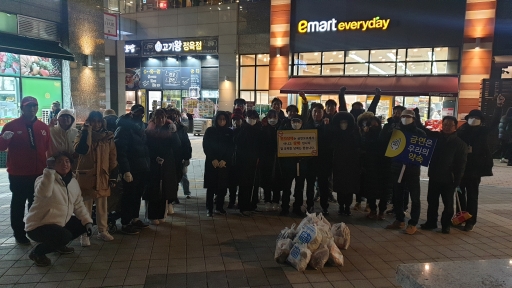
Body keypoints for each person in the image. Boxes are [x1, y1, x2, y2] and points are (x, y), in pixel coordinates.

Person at [25, 152, 93, 267]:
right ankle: (37, 253)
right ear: (53, 164)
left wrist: (87, 221)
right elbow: (44, 193)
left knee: (82, 224)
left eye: (67, 161)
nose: (64, 164)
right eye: (59, 161)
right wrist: (49, 171)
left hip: (58, 224)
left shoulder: (73, 182)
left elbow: (78, 204)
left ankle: (58, 245)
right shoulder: (42, 179)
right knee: (64, 235)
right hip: (38, 226)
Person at [0, 96, 50, 245]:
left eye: (35, 105)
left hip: (38, 174)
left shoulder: (43, 127)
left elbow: (47, 148)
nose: (33, 108)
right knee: (18, 204)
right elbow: (1, 147)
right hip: (18, 174)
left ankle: (34, 230)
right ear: (22, 108)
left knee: (35, 204)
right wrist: (4, 139)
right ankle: (19, 233)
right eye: (29, 106)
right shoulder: (11, 126)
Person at [457, 95, 504, 231]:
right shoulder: (462, 131)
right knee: (459, 195)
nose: (474, 120)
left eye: (477, 118)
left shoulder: (483, 132)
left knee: (472, 196)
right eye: (472, 117)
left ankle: (471, 221)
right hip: (461, 167)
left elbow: (495, 123)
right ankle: (461, 217)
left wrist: (499, 107)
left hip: (475, 169)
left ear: (481, 121)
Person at [417, 115, 467, 234]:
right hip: (434, 175)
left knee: (448, 204)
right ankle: (431, 222)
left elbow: (461, 164)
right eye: (445, 125)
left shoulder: (460, 144)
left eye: (450, 125)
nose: (447, 127)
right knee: (432, 201)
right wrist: (417, 118)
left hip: (450, 178)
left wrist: (458, 180)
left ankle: (446, 225)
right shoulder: (436, 138)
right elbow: (423, 130)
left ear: (455, 127)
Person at [74, 111, 118, 246]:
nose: (96, 124)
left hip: (102, 175)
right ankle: (84, 233)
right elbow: (81, 150)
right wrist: (87, 132)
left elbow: (113, 157)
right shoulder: (82, 134)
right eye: (93, 121)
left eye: (99, 121)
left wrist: (113, 175)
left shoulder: (108, 137)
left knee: (102, 206)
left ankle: (102, 230)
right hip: (86, 176)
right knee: (85, 207)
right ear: (89, 122)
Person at [384, 109, 426, 235]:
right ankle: (399, 219)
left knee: (414, 196)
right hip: (397, 168)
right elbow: (386, 143)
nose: (405, 118)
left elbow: (422, 151)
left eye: (408, 116)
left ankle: (413, 223)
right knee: (397, 195)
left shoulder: (420, 133)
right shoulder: (396, 132)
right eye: (403, 116)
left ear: (413, 118)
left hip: (412, 169)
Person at [114, 104, 150, 234]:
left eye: (141, 113)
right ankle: (125, 223)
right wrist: (126, 170)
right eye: (137, 113)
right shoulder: (123, 128)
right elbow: (121, 151)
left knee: (137, 195)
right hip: (131, 169)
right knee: (128, 196)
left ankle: (135, 218)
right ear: (131, 113)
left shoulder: (143, 127)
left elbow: (145, 148)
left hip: (142, 168)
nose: (139, 115)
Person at [144, 109, 180, 224]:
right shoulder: (149, 130)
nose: (161, 120)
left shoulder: (170, 129)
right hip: (152, 164)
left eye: (163, 117)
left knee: (164, 189)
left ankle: (161, 214)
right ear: (154, 118)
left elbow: (177, 146)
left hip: (167, 163)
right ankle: (151, 215)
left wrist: (174, 134)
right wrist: (154, 157)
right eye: (159, 117)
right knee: (153, 190)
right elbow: (146, 147)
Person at [202, 111, 234, 217]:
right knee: (211, 187)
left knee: (222, 187)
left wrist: (225, 159)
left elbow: (231, 147)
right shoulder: (210, 131)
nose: (222, 121)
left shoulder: (229, 132)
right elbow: (206, 145)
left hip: (224, 163)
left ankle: (219, 207)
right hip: (212, 162)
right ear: (216, 120)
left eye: (224, 119)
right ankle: (209, 208)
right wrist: (213, 158)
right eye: (220, 119)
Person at [331, 112, 361, 216]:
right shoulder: (335, 133)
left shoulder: (354, 133)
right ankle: (341, 205)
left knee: (349, 187)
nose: (343, 124)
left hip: (351, 165)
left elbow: (358, 146)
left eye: (345, 122)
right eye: (341, 122)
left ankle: (347, 206)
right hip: (338, 164)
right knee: (340, 187)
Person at [358, 112, 387, 220]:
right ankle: (373, 210)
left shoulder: (383, 135)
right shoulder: (365, 135)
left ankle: (382, 211)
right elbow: (362, 148)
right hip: (369, 166)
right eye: (372, 124)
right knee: (370, 190)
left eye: (376, 124)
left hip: (382, 167)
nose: (374, 126)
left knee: (383, 190)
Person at [304, 103, 332, 215]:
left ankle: (325, 207)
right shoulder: (306, 125)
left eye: (319, 112)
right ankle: (310, 205)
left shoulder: (328, 125)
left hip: (323, 161)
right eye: (315, 111)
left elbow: (330, 141)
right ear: (311, 113)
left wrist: (327, 127)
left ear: (323, 112)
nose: (317, 114)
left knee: (323, 185)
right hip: (310, 161)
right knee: (310, 185)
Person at [235, 110, 263, 216]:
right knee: (244, 184)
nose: (251, 120)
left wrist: (259, 158)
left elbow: (261, 146)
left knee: (254, 184)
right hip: (243, 161)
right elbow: (237, 142)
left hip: (255, 161)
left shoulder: (259, 130)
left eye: (253, 117)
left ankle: (252, 205)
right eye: (249, 117)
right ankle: (243, 206)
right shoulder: (242, 129)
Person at [381, 105, 408, 215]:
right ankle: (394, 206)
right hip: (389, 157)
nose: (396, 114)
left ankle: (403, 207)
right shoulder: (388, 125)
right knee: (392, 184)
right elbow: (382, 138)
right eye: (395, 112)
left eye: (399, 112)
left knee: (403, 185)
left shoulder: (407, 126)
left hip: (402, 159)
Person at [279, 118, 308, 216]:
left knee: (299, 187)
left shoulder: (306, 134)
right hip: (288, 165)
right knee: (286, 187)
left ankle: (297, 207)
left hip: (301, 165)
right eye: (293, 122)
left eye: (298, 122)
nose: (296, 124)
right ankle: (285, 207)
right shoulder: (285, 133)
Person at [166, 108, 192, 205]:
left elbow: (186, 144)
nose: (173, 118)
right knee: (169, 178)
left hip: (178, 157)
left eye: (175, 116)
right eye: (170, 115)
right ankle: (170, 197)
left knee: (177, 177)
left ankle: (174, 195)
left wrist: (187, 157)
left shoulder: (181, 128)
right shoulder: (163, 127)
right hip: (167, 157)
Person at [260, 109, 282, 211]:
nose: (272, 119)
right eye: (270, 117)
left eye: (275, 117)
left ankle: (276, 201)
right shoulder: (263, 129)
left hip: (279, 159)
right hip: (266, 159)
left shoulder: (282, 128)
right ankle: (267, 200)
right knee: (267, 179)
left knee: (278, 180)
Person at [227, 108, 244, 209]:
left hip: (241, 161)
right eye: (234, 120)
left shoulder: (244, 131)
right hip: (231, 161)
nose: (235, 122)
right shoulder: (229, 132)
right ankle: (231, 201)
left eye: (238, 120)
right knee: (232, 183)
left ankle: (240, 202)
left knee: (241, 183)